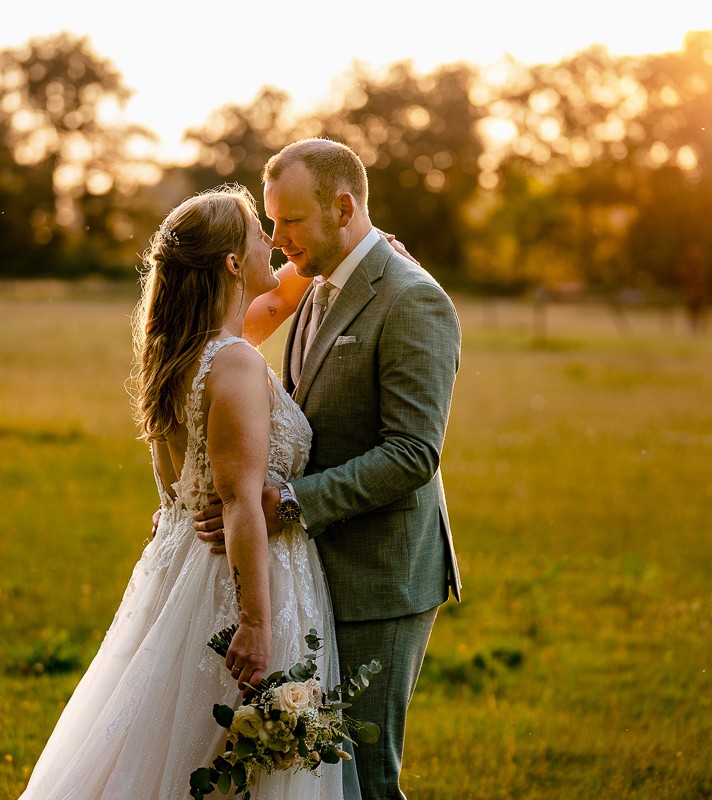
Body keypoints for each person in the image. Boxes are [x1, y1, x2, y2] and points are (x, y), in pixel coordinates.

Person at [17, 185, 355, 799]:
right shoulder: (236, 365)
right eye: (260, 233)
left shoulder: (183, 352)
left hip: (182, 568)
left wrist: (354, 252)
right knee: (227, 764)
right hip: (241, 580)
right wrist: (255, 622)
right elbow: (239, 502)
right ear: (232, 262)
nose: (274, 243)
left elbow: (276, 301)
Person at [199, 138, 463, 799]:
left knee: (368, 783)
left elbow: (412, 453)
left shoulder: (412, 300)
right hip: (317, 572)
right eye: (273, 220)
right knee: (319, 776)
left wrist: (285, 502)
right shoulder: (317, 287)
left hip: (382, 577)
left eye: (289, 220)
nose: (277, 236)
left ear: (342, 207)